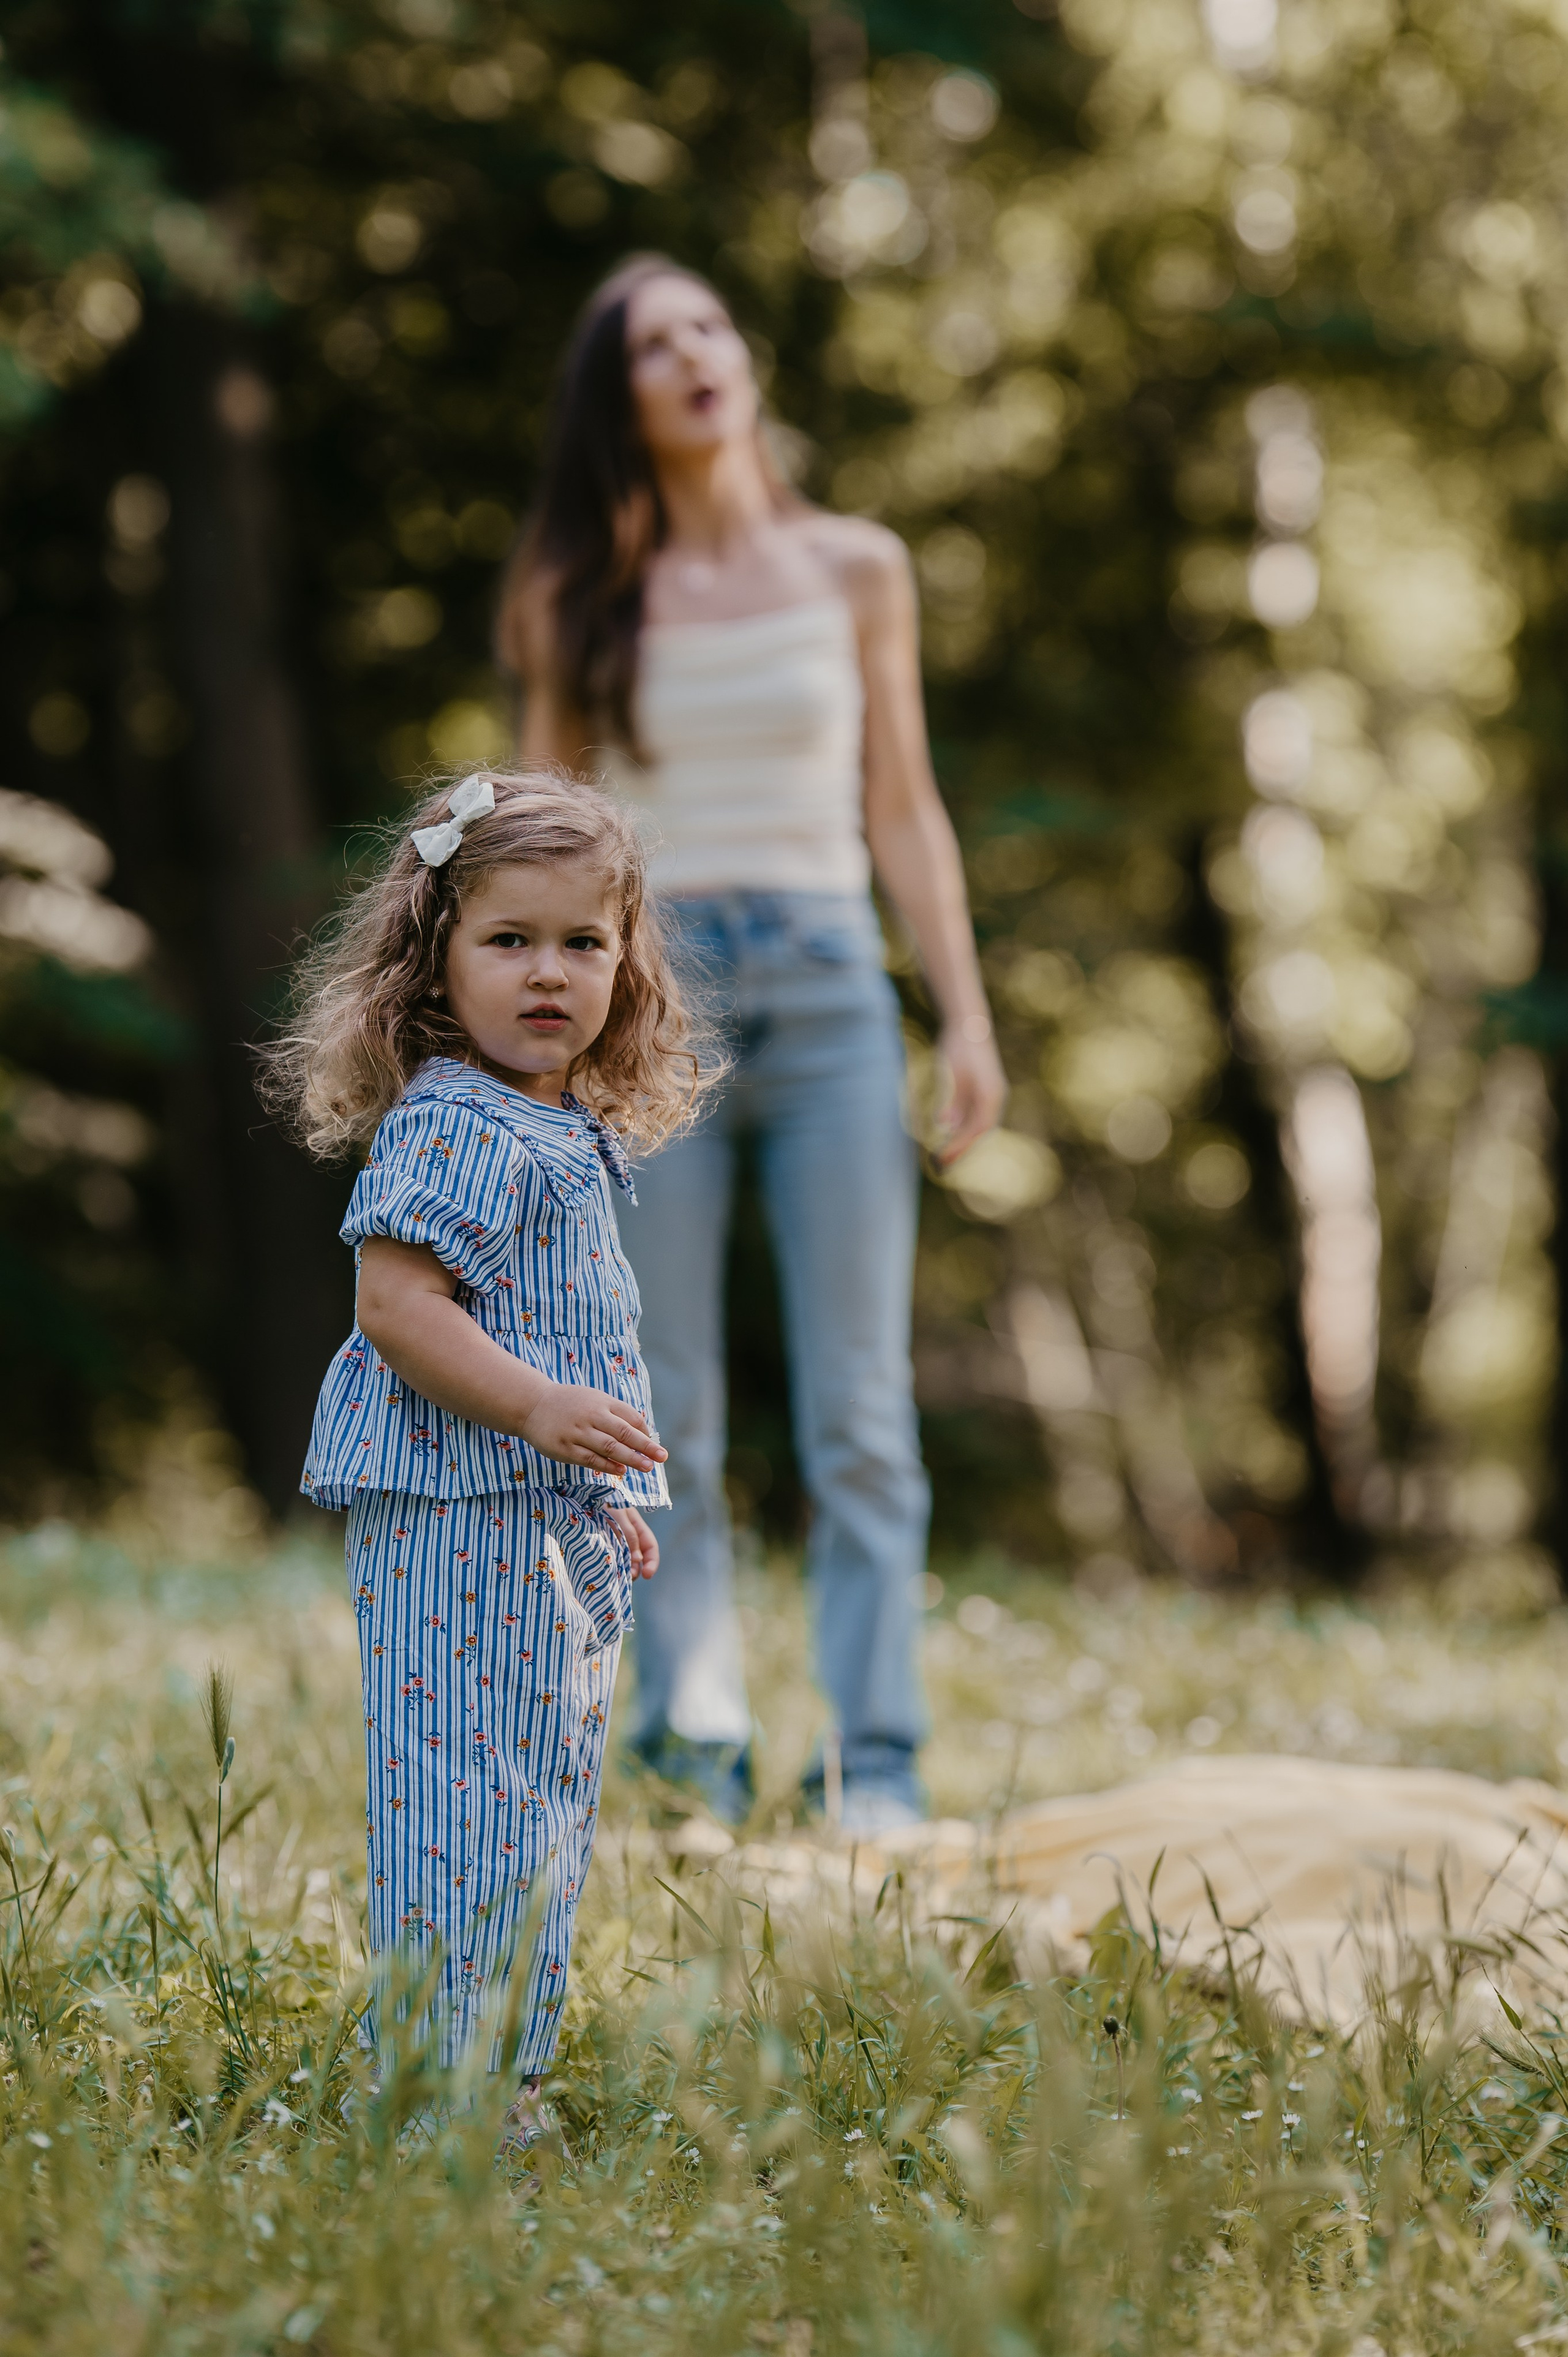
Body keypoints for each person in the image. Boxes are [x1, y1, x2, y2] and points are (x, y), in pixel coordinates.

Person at [500, 256, 1006, 1835]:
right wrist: (536, 1047)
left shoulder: (854, 568)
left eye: (709, 325)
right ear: (622, 401)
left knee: (858, 1402)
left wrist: (964, 1014)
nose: (696, 355)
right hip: (657, 1013)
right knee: (664, 1398)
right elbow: (541, 841)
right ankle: (694, 1737)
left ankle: (878, 1761)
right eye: (655, 346)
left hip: (838, 994)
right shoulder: (573, 601)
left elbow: (900, 806)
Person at [263, 769, 701, 2141]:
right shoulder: (453, 1121)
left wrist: (595, 1486)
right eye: (509, 939)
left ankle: (488, 2067)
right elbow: (397, 1308)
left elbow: (557, 1324)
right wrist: (534, 1416)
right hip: (455, 1508)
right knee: (463, 1793)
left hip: (531, 1511)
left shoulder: (553, 1123)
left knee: (541, 1791)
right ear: (437, 962)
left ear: (626, 966)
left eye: (583, 942)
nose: (549, 972)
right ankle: (439, 2082)